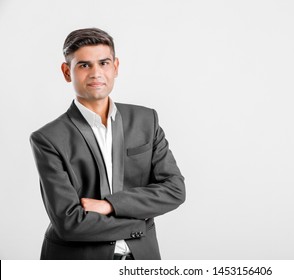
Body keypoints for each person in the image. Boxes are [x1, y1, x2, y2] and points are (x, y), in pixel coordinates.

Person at [30, 28, 185, 260]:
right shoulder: (48, 138)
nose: (96, 73)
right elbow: (69, 222)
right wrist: (138, 224)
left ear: (116, 67)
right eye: (84, 65)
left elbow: (174, 190)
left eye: (103, 63)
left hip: (142, 258)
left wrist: (109, 205)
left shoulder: (146, 120)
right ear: (66, 72)